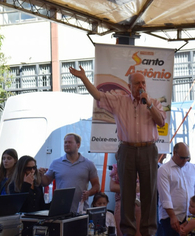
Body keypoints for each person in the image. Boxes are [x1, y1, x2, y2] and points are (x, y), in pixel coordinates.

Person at [69, 67, 166, 236]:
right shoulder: (120, 101)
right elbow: (98, 95)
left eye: (143, 82)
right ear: (129, 86)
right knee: (127, 193)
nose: (141, 85)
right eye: (137, 83)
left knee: (149, 193)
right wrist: (83, 77)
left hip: (148, 149)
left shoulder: (154, 102)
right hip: (126, 149)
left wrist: (149, 104)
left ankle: (148, 232)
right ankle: (128, 232)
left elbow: (161, 122)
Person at [39, 133, 100, 212]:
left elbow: (96, 185)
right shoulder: (56, 163)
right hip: (60, 209)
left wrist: (89, 193)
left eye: (70, 142)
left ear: (78, 145)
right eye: (65, 142)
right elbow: (46, 182)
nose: (67, 144)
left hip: (80, 210)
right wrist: (41, 175)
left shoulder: (88, 164)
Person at [157, 142, 195, 236]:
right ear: (174, 153)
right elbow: (165, 197)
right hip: (170, 217)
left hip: (190, 216)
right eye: (182, 158)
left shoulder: (192, 167)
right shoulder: (163, 169)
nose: (185, 160)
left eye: (187, 158)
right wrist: (172, 216)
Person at [110, 163, 141, 236]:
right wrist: (133, 188)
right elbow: (112, 187)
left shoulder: (143, 165)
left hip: (140, 205)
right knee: (121, 232)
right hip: (122, 204)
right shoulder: (117, 167)